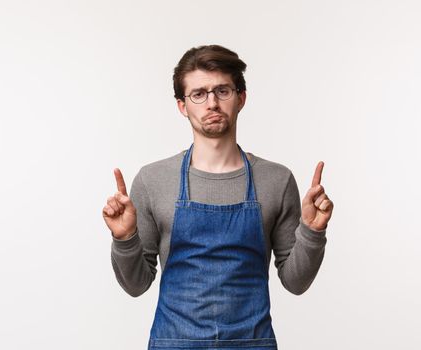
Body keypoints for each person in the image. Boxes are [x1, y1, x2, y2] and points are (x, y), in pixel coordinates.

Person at [102, 44, 334, 350]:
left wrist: (313, 232)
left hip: (252, 343)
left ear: (241, 98)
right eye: (198, 94)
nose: (211, 103)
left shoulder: (276, 180)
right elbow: (136, 285)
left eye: (222, 91)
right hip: (174, 343)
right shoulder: (152, 180)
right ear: (182, 106)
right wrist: (124, 238)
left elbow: (296, 282)